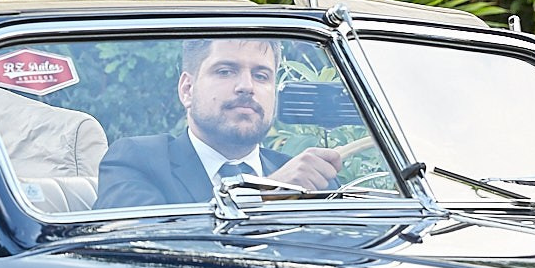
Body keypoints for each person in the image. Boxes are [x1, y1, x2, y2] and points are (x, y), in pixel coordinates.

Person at [93, 37, 347, 209]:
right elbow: (136, 249)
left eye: (261, 76)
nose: (246, 86)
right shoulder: (135, 161)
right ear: (187, 89)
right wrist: (265, 195)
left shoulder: (312, 178)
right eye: (225, 71)